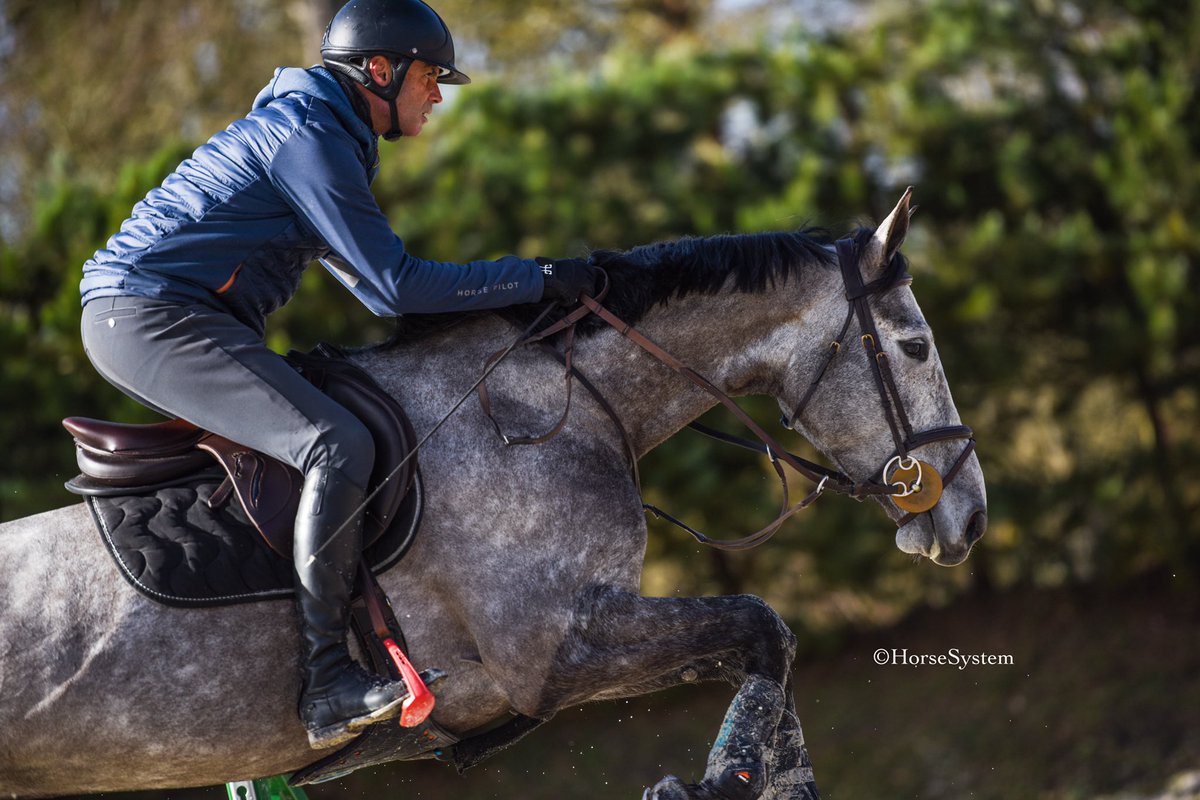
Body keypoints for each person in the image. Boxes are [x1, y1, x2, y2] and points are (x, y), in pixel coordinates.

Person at [79, 0, 596, 750]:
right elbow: (393, 286)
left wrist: (512, 309)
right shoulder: (309, 135)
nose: (439, 95)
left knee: (340, 418)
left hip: (164, 314)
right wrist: (538, 275)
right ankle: (326, 680)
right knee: (335, 444)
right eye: (430, 77)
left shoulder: (325, 132)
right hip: (148, 315)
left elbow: (372, 288)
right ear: (380, 71)